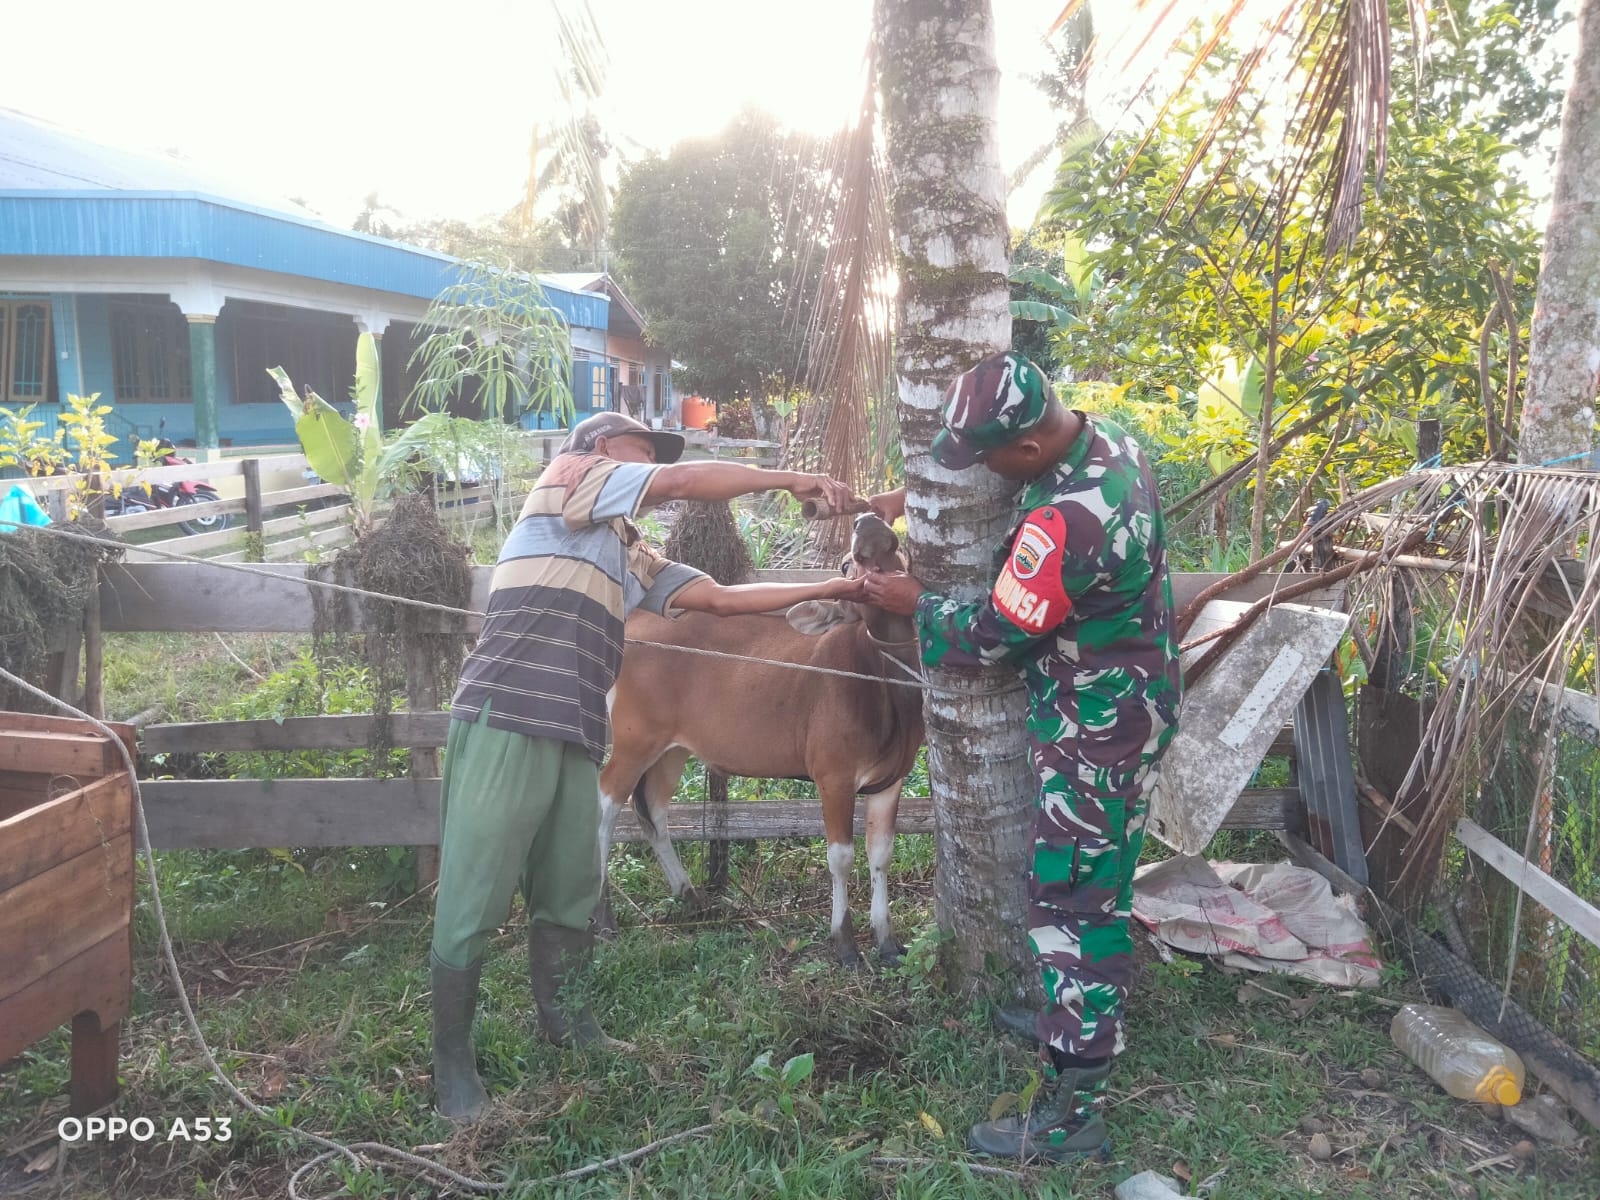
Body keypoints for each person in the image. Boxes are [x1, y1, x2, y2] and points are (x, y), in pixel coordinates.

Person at [430, 411, 864, 1122]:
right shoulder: (569, 481)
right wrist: (793, 477)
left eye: (654, 457)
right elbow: (686, 481)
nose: (653, 465)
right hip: (505, 719)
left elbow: (720, 601)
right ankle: (452, 1072)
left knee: (569, 891)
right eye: (643, 451)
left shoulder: (625, 550)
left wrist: (835, 591)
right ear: (605, 452)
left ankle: (568, 1026)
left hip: (573, 734)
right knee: (475, 896)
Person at [861, 352, 1181, 1163]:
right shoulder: (1110, 447)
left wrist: (916, 606)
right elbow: (1029, 517)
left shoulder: (1066, 522)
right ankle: (1069, 1013)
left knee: (1073, 906)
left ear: (1030, 450)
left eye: (992, 459)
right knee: (1096, 884)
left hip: (1097, 731)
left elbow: (993, 639)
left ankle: (1074, 1113)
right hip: (1131, 706)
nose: (989, 473)